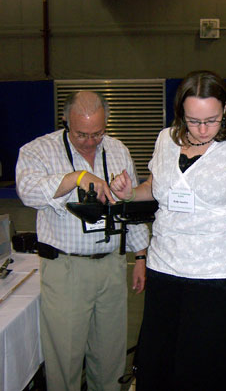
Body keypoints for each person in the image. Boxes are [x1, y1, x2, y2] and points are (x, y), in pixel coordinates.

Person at [110, 71, 226, 391]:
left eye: (212, 120)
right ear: (181, 112)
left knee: (201, 367)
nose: (203, 129)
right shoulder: (166, 139)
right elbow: (153, 188)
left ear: (225, 109)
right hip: (165, 264)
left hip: (216, 271)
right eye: (194, 121)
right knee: (156, 363)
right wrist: (128, 193)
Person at [16, 91, 149, 391]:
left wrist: (140, 256)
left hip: (112, 266)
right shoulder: (39, 150)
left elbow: (129, 206)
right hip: (66, 270)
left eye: (97, 133)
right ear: (65, 120)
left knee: (111, 357)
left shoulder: (117, 150)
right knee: (65, 358)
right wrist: (76, 177)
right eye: (81, 135)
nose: (90, 141)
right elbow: (27, 191)